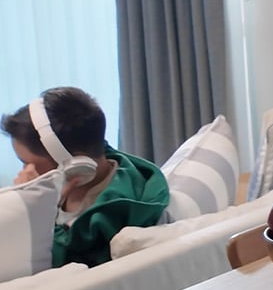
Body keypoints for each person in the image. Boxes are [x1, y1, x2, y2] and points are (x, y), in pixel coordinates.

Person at [1, 86, 170, 268]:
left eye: (27, 163)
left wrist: (33, 207)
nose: (24, 173)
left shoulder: (111, 215)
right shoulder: (81, 179)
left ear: (74, 164)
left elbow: (50, 265)